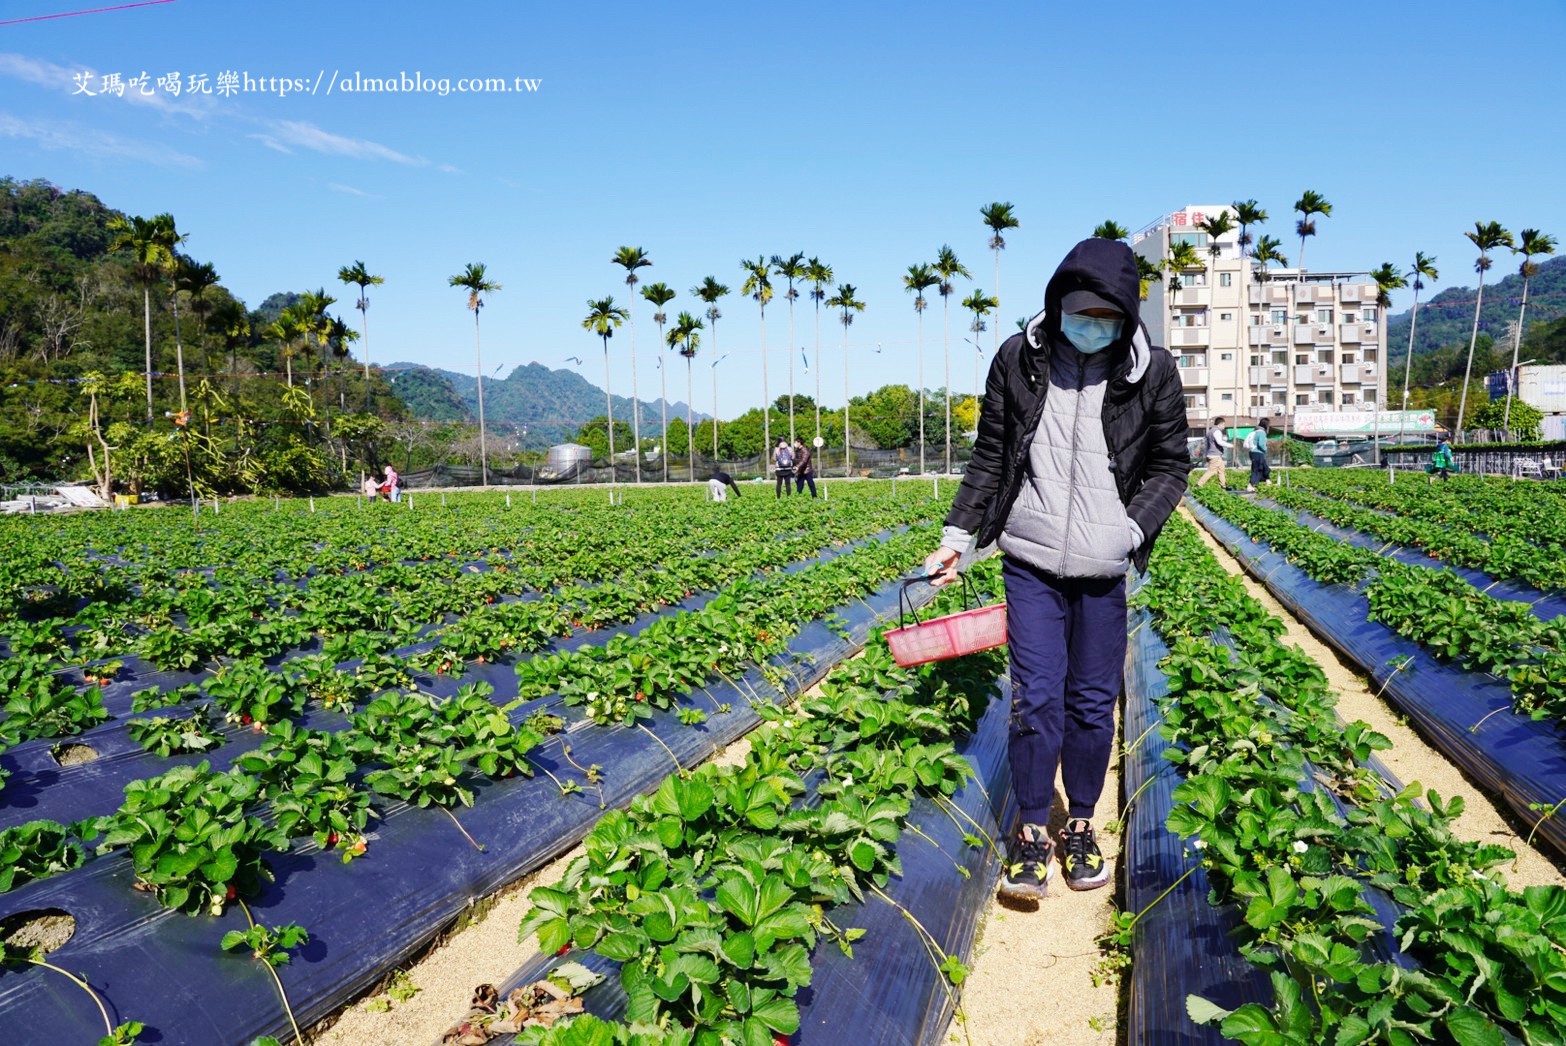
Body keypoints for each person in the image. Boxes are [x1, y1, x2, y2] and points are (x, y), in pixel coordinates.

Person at [924, 237, 1188, 900]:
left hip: (1104, 566)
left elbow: (1170, 465)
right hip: (1032, 559)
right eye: (1081, 310)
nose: (1092, 322)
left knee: (1094, 702)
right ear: (1058, 302)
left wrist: (1129, 531)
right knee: (1037, 696)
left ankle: (1084, 824)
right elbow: (991, 455)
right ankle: (1034, 829)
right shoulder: (1020, 360)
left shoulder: (1150, 371)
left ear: (1127, 314)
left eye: (1108, 314)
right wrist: (957, 537)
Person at [1195, 416, 1230, 487]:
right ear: (1220, 424)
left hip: (1212, 454)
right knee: (1212, 471)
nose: (1224, 426)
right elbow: (1219, 442)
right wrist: (1230, 445)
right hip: (1215, 455)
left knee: (1221, 470)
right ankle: (1199, 484)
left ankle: (1223, 485)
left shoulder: (1210, 431)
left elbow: (1204, 442)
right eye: (1224, 424)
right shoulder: (1217, 431)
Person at [1244, 418, 1272, 491]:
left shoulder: (1255, 431)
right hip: (1258, 453)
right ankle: (1250, 485)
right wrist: (1265, 449)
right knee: (1256, 469)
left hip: (1253, 453)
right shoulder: (1261, 432)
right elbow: (1261, 444)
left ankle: (1267, 481)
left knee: (1265, 468)